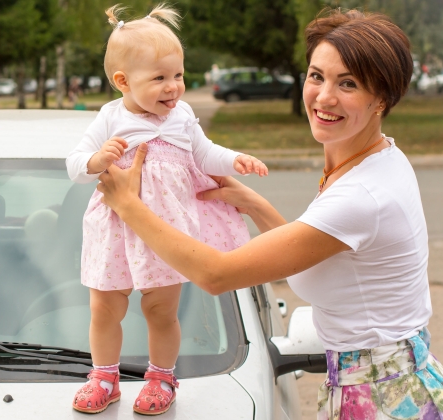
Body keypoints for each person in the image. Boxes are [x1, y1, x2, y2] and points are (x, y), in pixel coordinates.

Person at [96, 9, 443, 419]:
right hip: (391, 380)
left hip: (382, 397)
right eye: (316, 76)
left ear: (382, 99)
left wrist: (128, 206)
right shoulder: (378, 157)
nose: (324, 96)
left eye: (348, 84)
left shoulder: (362, 195)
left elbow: (216, 275)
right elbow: (308, 267)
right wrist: (255, 205)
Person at [66, 4, 268, 415]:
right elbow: (75, 166)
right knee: (105, 307)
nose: (173, 86)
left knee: (160, 309)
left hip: (166, 232)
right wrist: (98, 160)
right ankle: (104, 376)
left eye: (177, 75)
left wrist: (235, 161)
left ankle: (161, 377)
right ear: (122, 81)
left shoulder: (183, 117)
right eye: (159, 78)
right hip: (116, 230)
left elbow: (205, 154)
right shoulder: (110, 117)